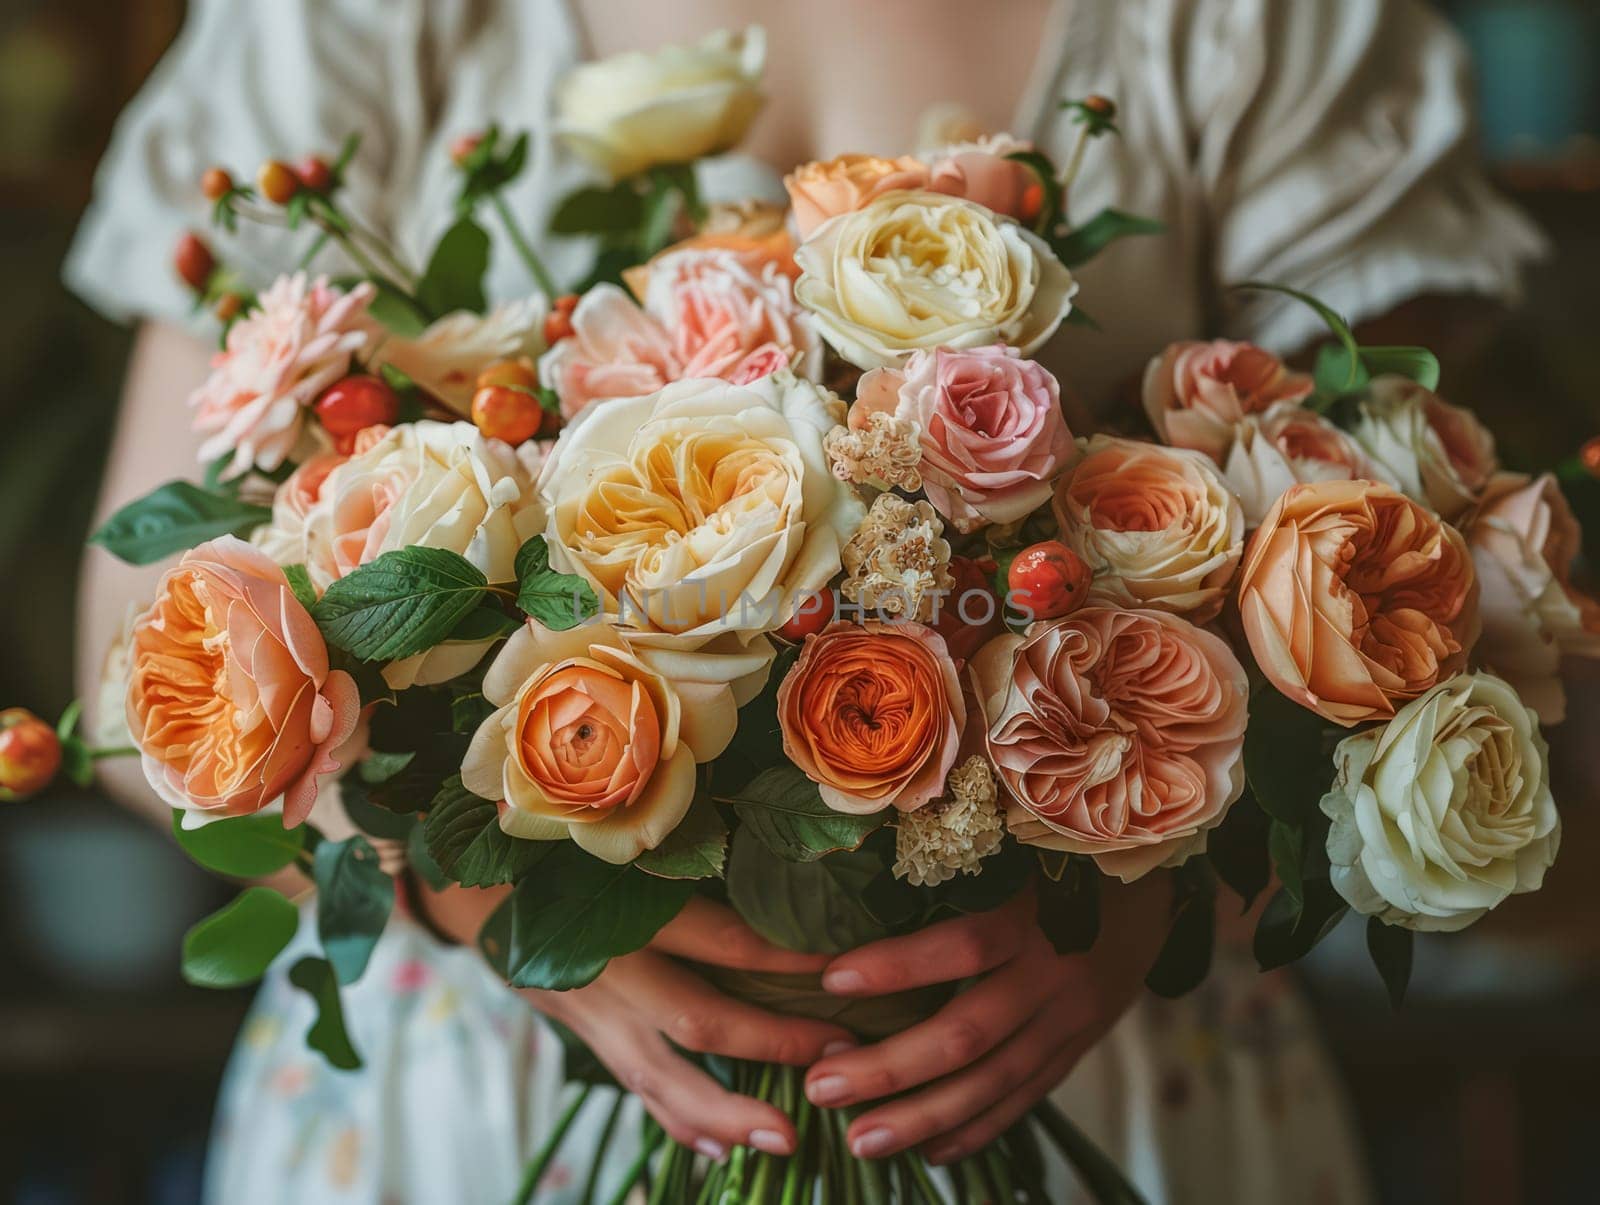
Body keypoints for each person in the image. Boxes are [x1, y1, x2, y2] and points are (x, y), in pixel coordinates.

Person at [67, 0, 1541, 1200]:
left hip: (1101, 1051)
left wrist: (1149, 908)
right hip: (491, 1078)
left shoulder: (1258, 23)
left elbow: (1410, 578)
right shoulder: (348, 22)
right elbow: (133, 627)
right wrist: (479, 902)